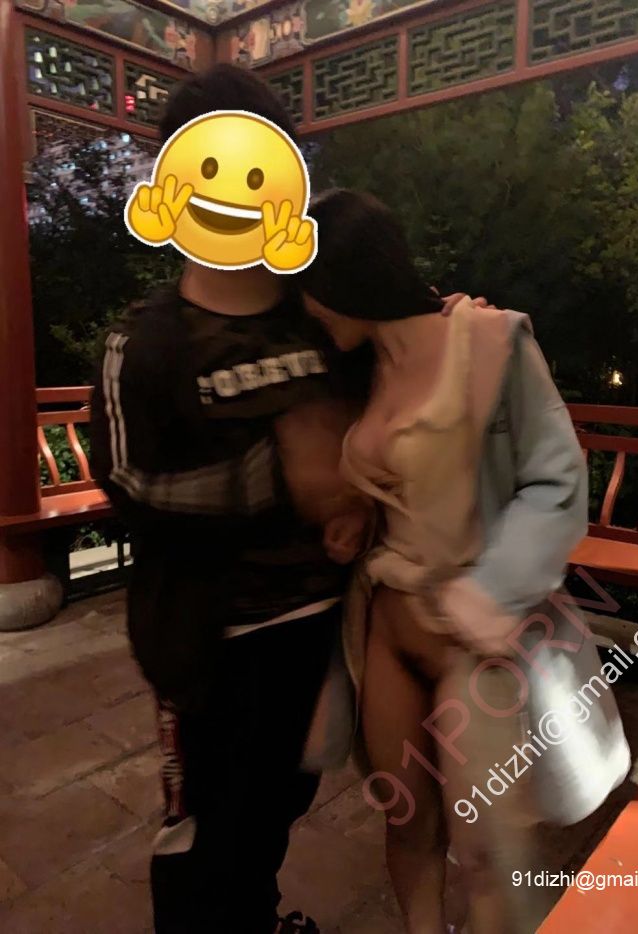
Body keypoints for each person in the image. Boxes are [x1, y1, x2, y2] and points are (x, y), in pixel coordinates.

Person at [297, 188, 630, 934]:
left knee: (489, 851)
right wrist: (354, 518)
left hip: (472, 637)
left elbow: (556, 478)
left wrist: (495, 591)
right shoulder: (360, 368)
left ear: (348, 275)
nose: (306, 310)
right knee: (406, 821)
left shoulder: (489, 342)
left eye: (309, 287)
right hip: (384, 627)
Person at [90, 69, 370, 934]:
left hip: (325, 624)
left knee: (282, 805)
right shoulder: (145, 343)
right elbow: (131, 485)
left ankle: (259, 914)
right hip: (215, 643)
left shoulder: (318, 320)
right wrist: (284, 470)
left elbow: (380, 417)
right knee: (205, 831)